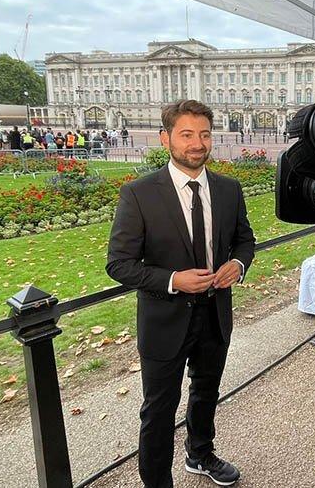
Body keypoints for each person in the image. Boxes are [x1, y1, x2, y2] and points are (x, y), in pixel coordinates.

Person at [106, 99, 255, 488]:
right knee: (159, 410)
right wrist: (174, 280)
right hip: (164, 320)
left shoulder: (228, 189)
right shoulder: (138, 194)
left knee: (207, 392)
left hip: (215, 315)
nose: (197, 143)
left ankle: (200, 455)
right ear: (165, 138)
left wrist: (237, 266)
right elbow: (118, 264)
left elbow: (245, 240)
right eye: (186, 134)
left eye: (204, 134)